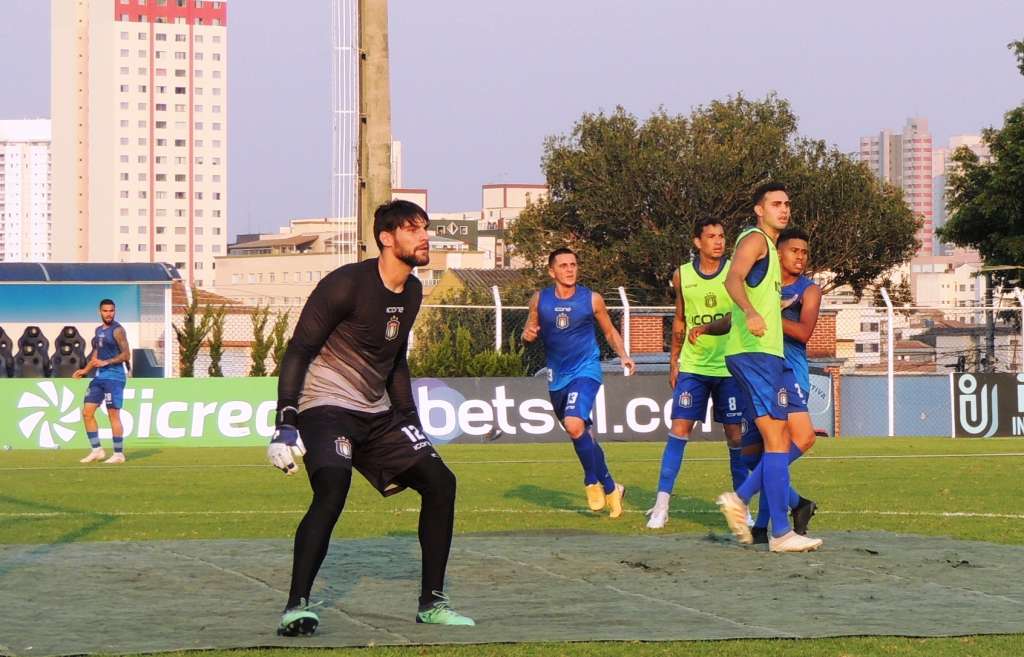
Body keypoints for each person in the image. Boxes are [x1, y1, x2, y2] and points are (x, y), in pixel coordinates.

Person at [268, 200, 474, 637]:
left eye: (426, 229)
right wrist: (285, 420)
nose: (425, 237)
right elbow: (299, 350)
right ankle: (296, 605)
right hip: (325, 408)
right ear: (386, 237)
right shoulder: (345, 284)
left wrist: (409, 420)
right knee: (332, 489)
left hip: (377, 413)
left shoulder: (413, 290)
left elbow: (395, 360)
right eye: (414, 229)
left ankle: (432, 604)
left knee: (442, 484)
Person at [714, 183, 823, 553]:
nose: (784, 209)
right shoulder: (755, 239)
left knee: (788, 438)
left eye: (788, 204)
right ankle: (773, 527)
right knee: (776, 441)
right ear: (759, 209)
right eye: (776, 204)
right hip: (754, 353)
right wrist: (750, 311)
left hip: (770, 357)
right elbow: (732, 279)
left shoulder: (773, 258)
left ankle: (769, 521)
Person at [645, 218, 746, 529]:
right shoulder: (682, 275)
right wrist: (673, 361)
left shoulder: (735, 272)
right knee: (679, 430)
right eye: (711, 236)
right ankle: (661, 505)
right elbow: (680, 319)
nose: (718, 241)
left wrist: (706, 328)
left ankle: (742, 507)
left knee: (735, 436)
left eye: (721, 236)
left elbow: (734, 318)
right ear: (697, 242)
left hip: (729, 366)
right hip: (694, 367)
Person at [522, 248, 636, 518]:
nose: (570, 269)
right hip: (557, 377)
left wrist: (623, 355)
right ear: (552, 272)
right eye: (563, 265)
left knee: (574, 424)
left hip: (586, 370)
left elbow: (608, 330)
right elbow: (529, 330)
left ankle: (595, 483)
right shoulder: (540, 300)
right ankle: (613, 487)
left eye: (573, 264)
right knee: (582, 434)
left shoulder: (591, 299)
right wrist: (528, 334)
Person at [74, 299, 131, 464]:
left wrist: (107, 362)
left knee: (113, 414)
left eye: (111, 311)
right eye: (105, 311)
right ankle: (97, 450)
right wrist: (85, 370)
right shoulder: (98, 330)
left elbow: (126, 354)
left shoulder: (118, 331)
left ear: (115, 311)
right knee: (87, 412)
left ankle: (119, 454)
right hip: (100, 377)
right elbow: (96, 355)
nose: (109, 314)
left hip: (115, 377)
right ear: (100, 312)